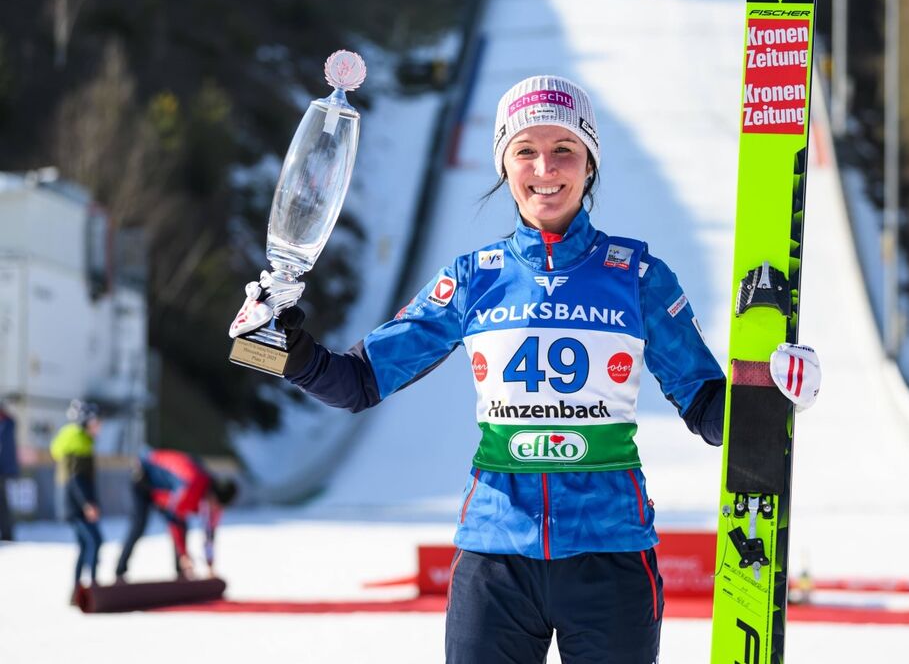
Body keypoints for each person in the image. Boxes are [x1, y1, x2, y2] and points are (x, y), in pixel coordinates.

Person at [230, 75, 821, 663]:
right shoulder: (472, 278)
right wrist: (272, 346)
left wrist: (772, 392)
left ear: (589, 163)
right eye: (526, 151)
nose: (546, 168)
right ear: (505, 165)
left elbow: (709, 409)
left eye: (564, 149)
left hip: (610, 555)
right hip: (495, 558)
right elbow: (356, 382)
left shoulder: (638, 276)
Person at [115, 448, 237, 582]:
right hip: (144, 476)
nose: (215, 509)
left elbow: (209, 532)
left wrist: (210, 566)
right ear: (213, 496)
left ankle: (181, 573)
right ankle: (120, 572)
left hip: (165, 492)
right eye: (216, 505)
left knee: (181, 524)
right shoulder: (192, 486)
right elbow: (174, 518)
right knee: (139, 525)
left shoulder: (213, 499)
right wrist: (184, 554)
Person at [50, 399, 103, 601]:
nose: (99, 426)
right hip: (76, 504)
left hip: (73, 503)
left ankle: (76, 592)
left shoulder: (79, 440)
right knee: (95, 541)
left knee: (85, 544)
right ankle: (93, 587)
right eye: (95, 421)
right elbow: (76, 479)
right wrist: (87, 504)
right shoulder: (78, 441)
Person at [0, 400, 20, 542]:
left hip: (3, 470)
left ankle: (7, 533)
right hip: (5, 470)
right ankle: (7, 533)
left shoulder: (6, 424)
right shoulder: (8, 423)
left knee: (3, 504)